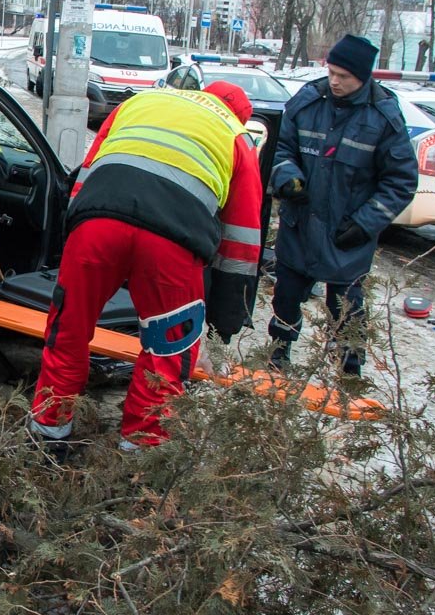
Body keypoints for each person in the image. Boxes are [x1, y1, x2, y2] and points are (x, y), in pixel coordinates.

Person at [30, 81, 263, 449]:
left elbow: (84, 178)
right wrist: (221, 328)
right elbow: (241, 246)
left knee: (69, 328)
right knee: (167, 348)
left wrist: (75, 246)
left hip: (97, 223)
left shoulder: (141, 102)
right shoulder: (236, 135)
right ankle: (140, 449)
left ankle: (48, 432)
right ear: (240, 116)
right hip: (172, 241)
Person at [268, 35, 417, 375]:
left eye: (343, 76)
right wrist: (287, 177)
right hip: (299, 225)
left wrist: (366, 223)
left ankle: (350, 370)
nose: (334, 81)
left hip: (346, 232)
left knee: (347, 309)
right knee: (285, 298)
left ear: (363, 76)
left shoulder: (383, 117)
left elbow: (401, 181)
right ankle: (278, 356)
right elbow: (281, 148)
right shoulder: (307, 101)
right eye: (331, 72)